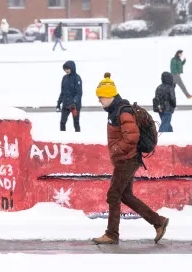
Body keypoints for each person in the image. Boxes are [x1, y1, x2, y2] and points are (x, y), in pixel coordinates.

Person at [92, 73, 168, 245]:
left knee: (113, 194)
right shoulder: (115, 111)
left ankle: (112, 234)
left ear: (110, 95)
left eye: (101, 97)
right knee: (125, 195)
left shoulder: (122, 112)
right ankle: (159, 222)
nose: (99, 101)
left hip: (128, 159)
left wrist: (116, 149)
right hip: (126, 159)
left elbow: (131, 137)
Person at [56, 60, 82, 132]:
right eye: (65, 69)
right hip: (66, 105)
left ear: (72, 68)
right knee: (62, 123)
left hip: (75, 106)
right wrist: (58, 103)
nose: (66, 71)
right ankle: (63, 138)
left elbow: (79, 93)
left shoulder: (77, 78)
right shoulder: (64, 78)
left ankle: (78, 139)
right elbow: (62, 92)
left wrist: (74, 102)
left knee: (76, 124)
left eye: (68, 69)